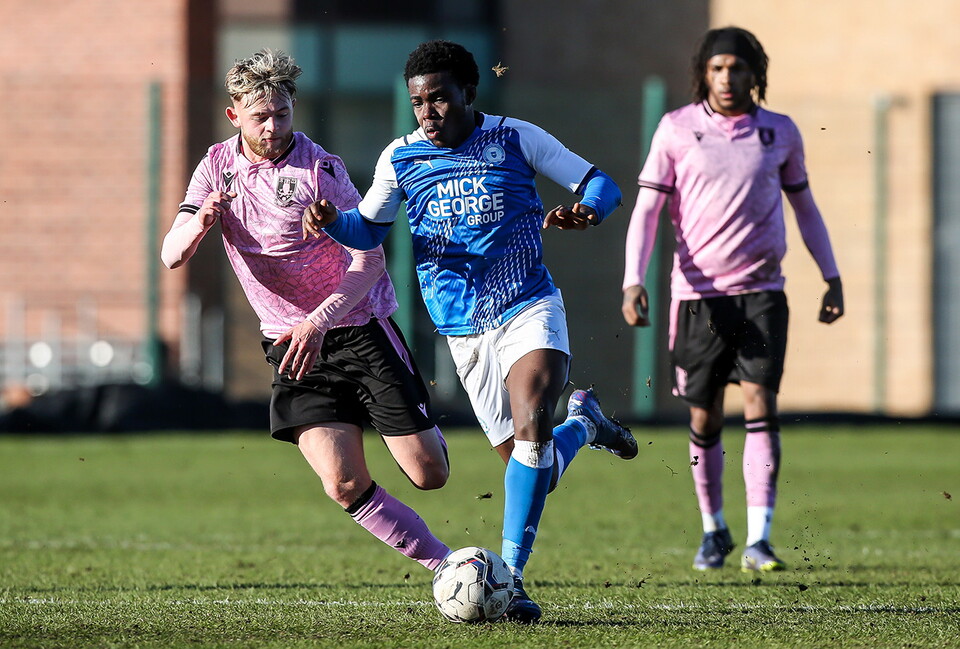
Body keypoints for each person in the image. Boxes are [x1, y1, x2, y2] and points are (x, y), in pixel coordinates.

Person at [302, 40, 638, 622]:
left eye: (439, 99)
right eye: (418, 102)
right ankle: (584, 424)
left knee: (532, 426)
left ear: (469, 94)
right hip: (463, 328)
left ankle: (511, 579)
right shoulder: (399, 159)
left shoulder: (516, 138)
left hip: (528, 304)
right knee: (530, 467)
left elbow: (602, 185)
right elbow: (368, 231)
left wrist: (588, 209)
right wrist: (334, 223)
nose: (428, 112)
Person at [161, 49, 452, 575]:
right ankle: (448, 566)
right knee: (342, 483)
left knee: (429, 475)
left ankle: (422, 426)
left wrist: (318, 321)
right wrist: (201, 220)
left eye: (282, 114)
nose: (273, 127)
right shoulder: (216, 167)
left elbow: (369, 256)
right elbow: (171, 255)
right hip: (291, 345)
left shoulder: (321, 168)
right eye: (260, 117)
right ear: (234, 116)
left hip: (358, 327)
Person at [622, 27, 844, 572]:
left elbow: (806, 210)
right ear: (704, 73)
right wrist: (634, 279)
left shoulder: (781, 133)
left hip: (764, 293)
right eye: (718, 68)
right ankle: (713, 529)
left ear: (755, 75)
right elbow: (648, 213)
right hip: (697, 297)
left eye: (738, 68)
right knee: (704, 414)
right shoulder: (676, 129)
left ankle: (760, 539)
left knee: (761, 404)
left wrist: (831, 275)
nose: (727, 78)